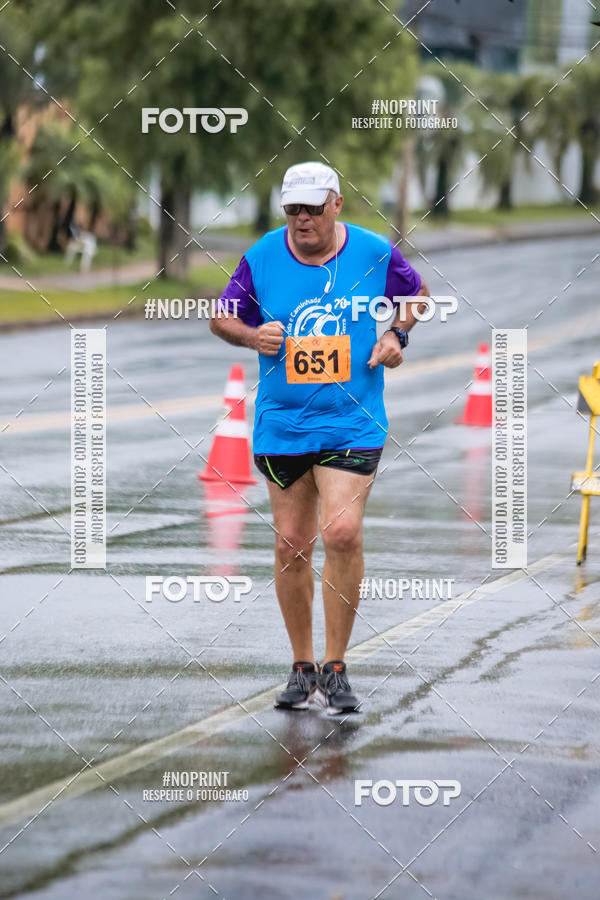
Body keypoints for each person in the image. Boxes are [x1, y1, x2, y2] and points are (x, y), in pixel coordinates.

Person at [210, 161, 429, 714]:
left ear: (336, 203)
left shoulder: (374, 251)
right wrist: (250, 335)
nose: (302, 219)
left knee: (343, 533)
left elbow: (418, 294)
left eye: (312, 208)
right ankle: (301, 664)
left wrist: (397, 333)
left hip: (352, 421)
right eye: (292, 210)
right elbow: (220, 318)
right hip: (283, 424)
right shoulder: (262, 256)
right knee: (291, 545)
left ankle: (335, 666)